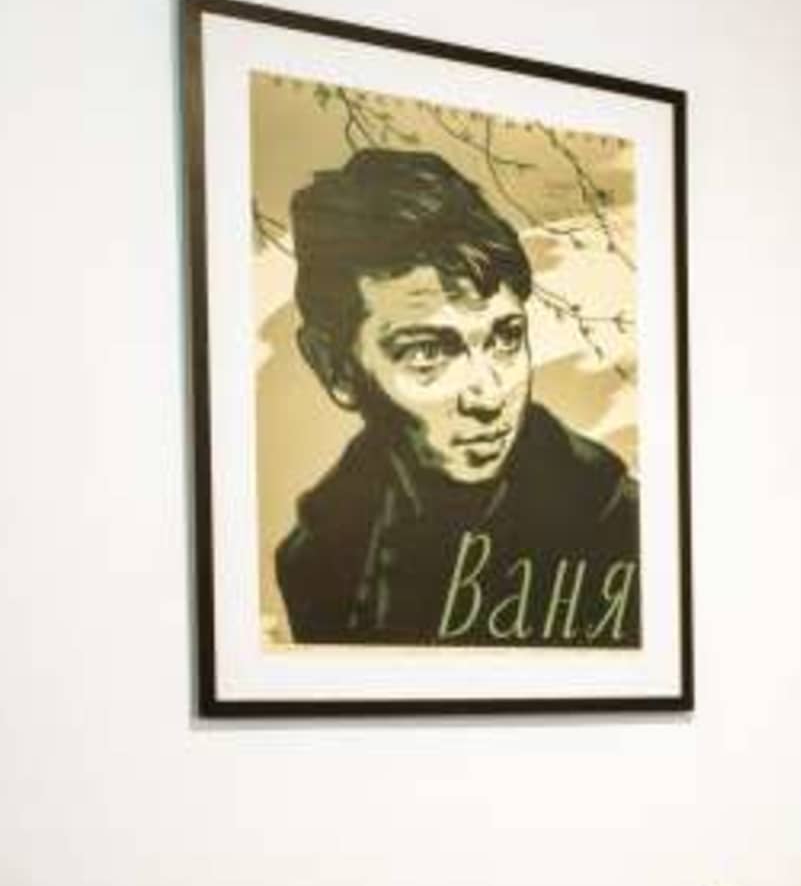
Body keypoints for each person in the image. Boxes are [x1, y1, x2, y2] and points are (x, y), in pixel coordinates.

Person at [273, 147, 640, 648]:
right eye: (427, 352)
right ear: (334, 366)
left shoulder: (616, 526)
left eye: (506, 338)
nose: (489, 394)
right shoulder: (315, 558)